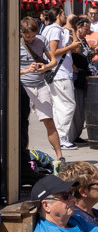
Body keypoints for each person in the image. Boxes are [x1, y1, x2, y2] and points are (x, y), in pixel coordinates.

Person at [18, 16, 64, 163]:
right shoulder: (15, 43)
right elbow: (9, 68)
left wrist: (45, 67)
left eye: (33, 36)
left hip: (40, 85)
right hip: (24, 86)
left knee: (49, 121)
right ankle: (23, 157)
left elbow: (53, 61)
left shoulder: (41, 40)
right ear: (21, 32)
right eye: (27, 36)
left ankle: (60, 156)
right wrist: (25, 70)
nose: (31, 39)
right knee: (23, 123)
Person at [40, 7, 80, 150]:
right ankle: (62, 137)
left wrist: (74, 33)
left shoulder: (49, 29)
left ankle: (60, 137)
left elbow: (76, 48)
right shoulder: (55, 30)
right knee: (68, 105)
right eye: (63, 14)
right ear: (58, 16)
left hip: (56, 74)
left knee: (58, 107)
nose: (66, 16)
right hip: (61, 74)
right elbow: (53, 52)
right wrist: (71, 47)